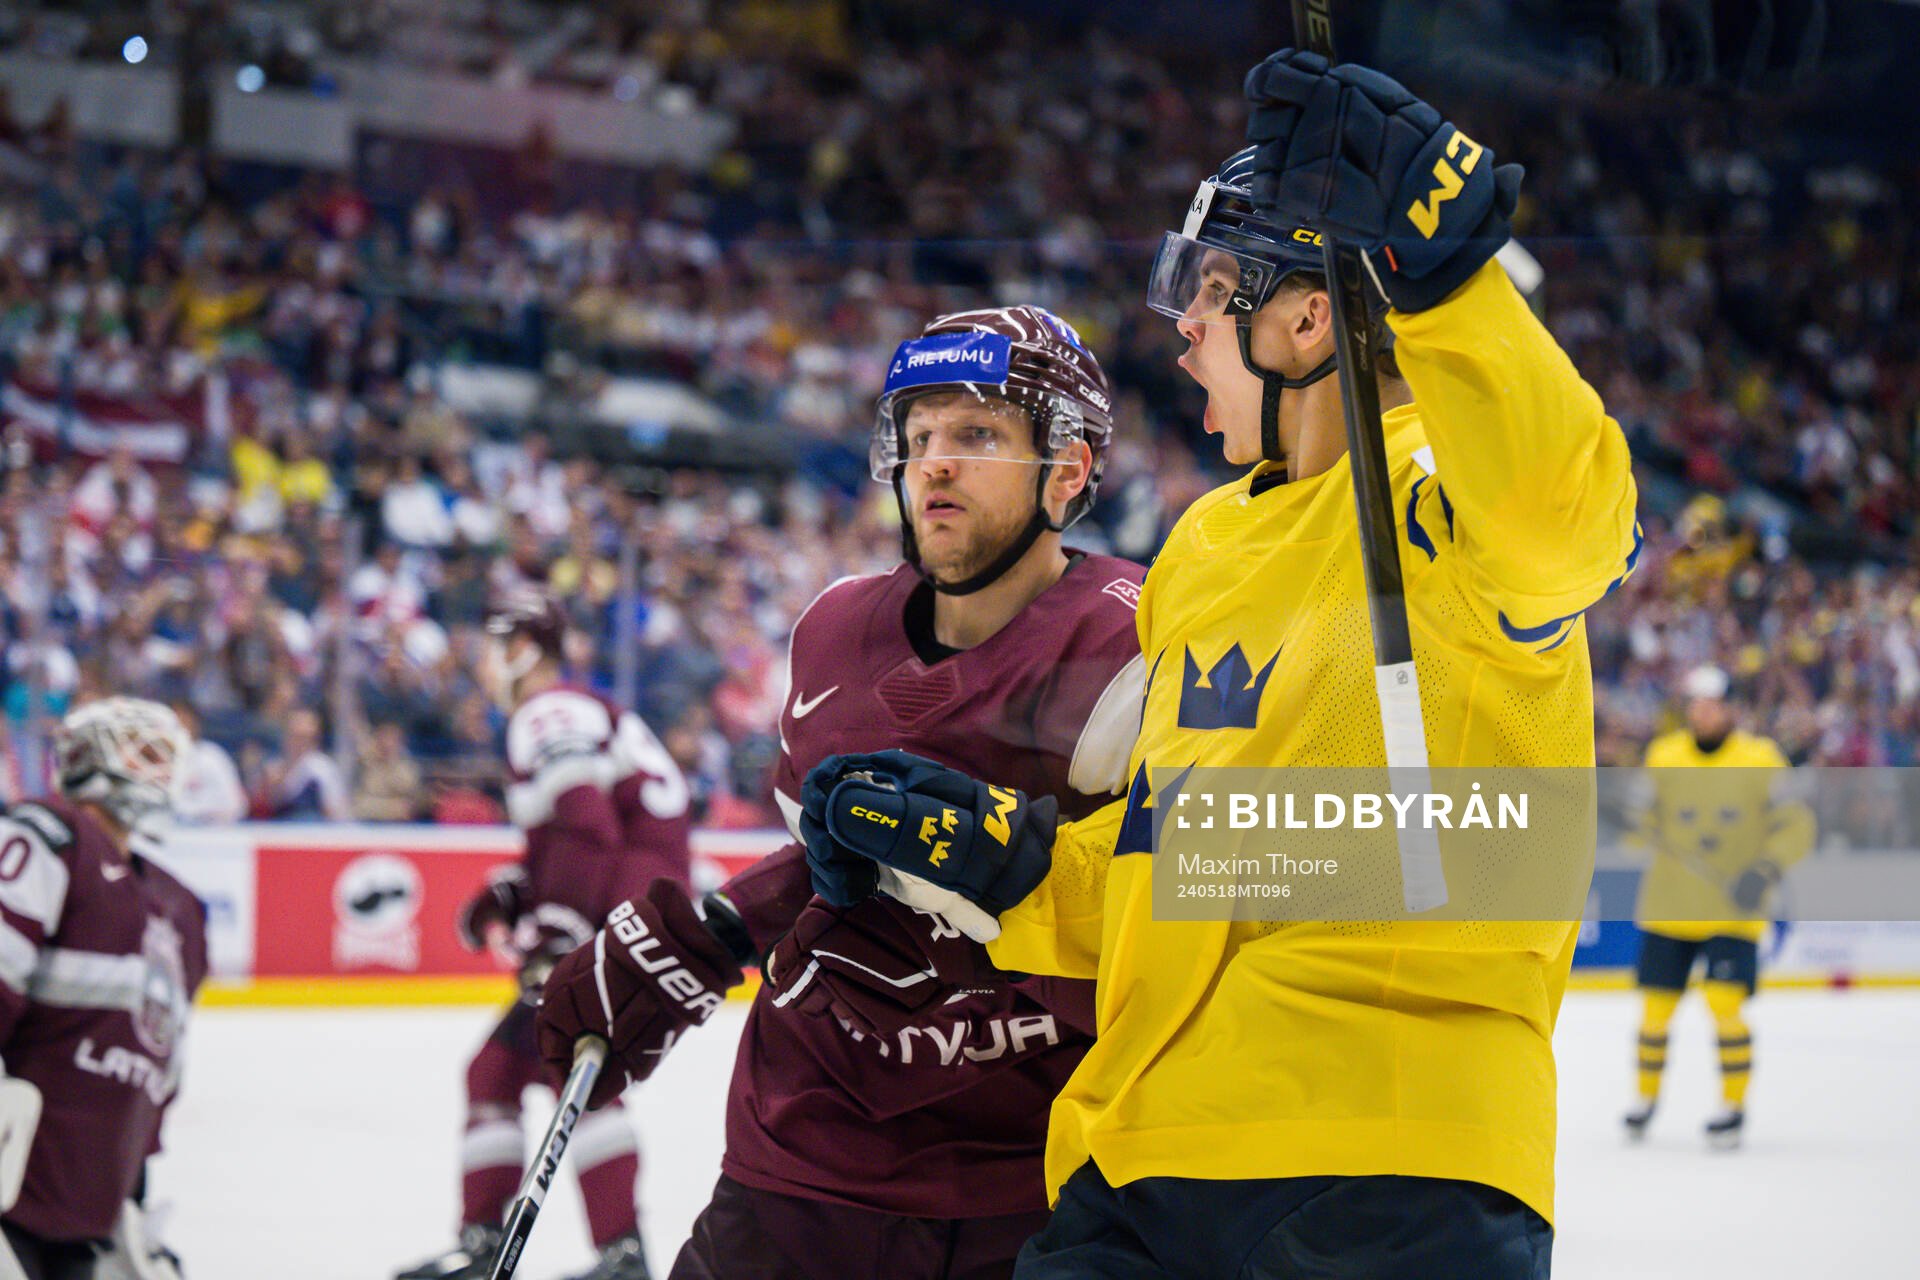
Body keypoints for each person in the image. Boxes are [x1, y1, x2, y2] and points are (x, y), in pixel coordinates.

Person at [793, 52, 1641, 1279]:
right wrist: (1010, 862)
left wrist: (1447, 267)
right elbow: (1203, 856)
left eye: (1214, 290)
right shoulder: (1206, 544)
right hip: (1142, 1156)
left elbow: (1570, 527)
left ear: (1306, 316)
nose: (1182, 326)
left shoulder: (1441, 489)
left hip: (1384, 1165)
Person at [535, 305, 1147, 1280]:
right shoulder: (833, 630)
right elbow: (846, 856)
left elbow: (1181, 907)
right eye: (919, 437)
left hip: (1037, 1175)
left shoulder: (1140, 642)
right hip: (805, 1152)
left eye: (978, 434)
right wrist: (708, 932)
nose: (934, 462)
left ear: (1068, 468)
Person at [395, 594, 690, 1280]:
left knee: (571, 1071)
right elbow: (580, 831)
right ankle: (505, 1246)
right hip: (635, 914)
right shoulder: (579, 713)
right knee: (509, 1071)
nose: (488, 662)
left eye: (500, 644)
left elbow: (587, 826)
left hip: (620, 919)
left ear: (526, 648)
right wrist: (520, 892)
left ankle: (613, 1257)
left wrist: (558, 926)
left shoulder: (547, 710)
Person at [0, 697, 207, 1280]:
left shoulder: (179, 904)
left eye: (166, 756)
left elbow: (160, 1063)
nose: (160, 770)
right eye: (144, 752)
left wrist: (135, 1188)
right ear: (89, 757)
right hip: (17, 1183)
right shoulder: (45, 836)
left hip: (97, 1198)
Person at [1624, 664, 1813, 1149]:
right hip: (1670, 907)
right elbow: (1636, 827)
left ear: (1731, 707)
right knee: (1655, 1013)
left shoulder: (1761, 759)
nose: (1701, 714)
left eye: (1710, 705)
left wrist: (1764, 871)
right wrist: (1625, 821)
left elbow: (1797, 826)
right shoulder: (1664, 756)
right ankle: (1644, 1102)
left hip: (1734, 911)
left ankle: (1732, 1106)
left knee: (1725, 1006)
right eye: (1694, 705)